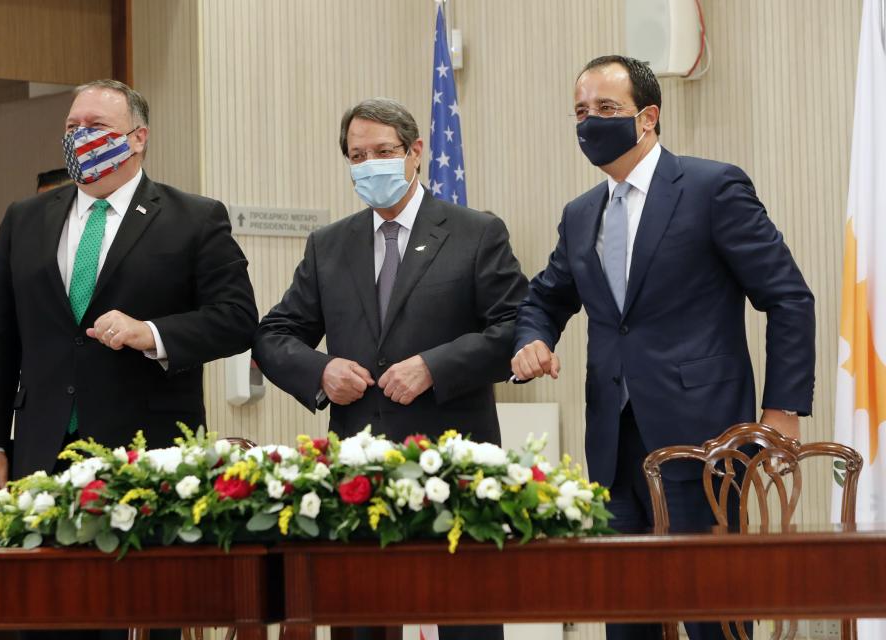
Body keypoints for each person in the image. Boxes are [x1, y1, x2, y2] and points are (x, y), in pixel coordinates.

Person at [510, 56, 815, 640]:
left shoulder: (711, 187)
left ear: (647, 118)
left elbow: (789, 298)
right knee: (628, 612)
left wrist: (782, 410)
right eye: (580, 112)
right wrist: (533, 340)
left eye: (606, 109)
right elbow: (544, 299)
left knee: (712, 610)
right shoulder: (580, 215)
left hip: (705, 439)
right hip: (611, 445)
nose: (589, 123)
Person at [254, 97, 528, 640]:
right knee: (362, 622)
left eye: (383, 151)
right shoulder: (328, 245)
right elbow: (273, 334)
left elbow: (515, 328)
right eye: (357, 156)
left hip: (456, 467)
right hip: (360, 473)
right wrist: (321, 370)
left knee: (464, 621)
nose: (369, 164)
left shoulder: (476, 232)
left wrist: (434, 365)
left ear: (416, 152)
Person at [0, 79, 258, 499]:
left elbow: (238, 319)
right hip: (42, 448)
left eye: (96, 125)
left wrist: (151, 333)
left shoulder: (194, 218)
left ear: (137, 138)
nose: (80, 136)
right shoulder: (24, 219)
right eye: (72, 127)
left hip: (148, 447)